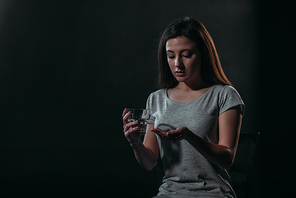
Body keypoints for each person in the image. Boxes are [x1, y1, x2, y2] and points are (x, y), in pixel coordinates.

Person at [122, 16, 244, 198]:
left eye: (186, 55)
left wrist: (189, 137)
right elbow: (149, 162)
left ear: (203, 54)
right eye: (171, 56)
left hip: (213, 193)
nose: (177, 64)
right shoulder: (156, 99)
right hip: (169, 194)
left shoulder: (224, 95)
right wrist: (135, 143)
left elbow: (227, 158)